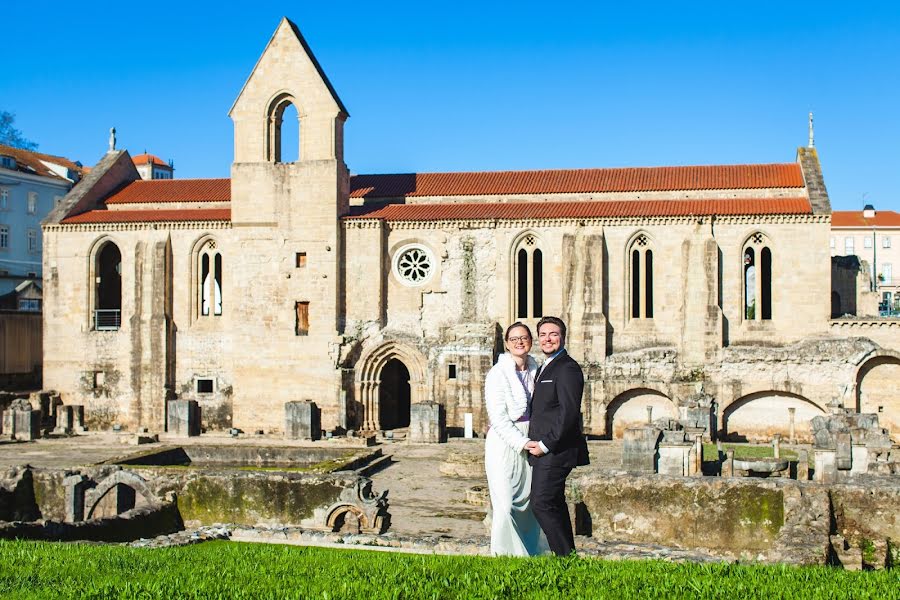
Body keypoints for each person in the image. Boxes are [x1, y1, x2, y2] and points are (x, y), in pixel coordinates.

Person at [525, 316, 590, 556]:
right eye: (543, 334)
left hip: (556, 449)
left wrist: (545, 444)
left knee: (541, 502)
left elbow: (569, 412)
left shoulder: (567, 367)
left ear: (563, 337)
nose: (548, 338)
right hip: (546, 448)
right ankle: (568, 555)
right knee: (554, 502)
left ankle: (563, 556)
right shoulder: (545, 366)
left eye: (553, 334)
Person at [483, 322, 549, 556]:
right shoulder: (497, 374)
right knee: (506, 503)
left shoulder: (536, 369)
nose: (519, 342)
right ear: (507, 344)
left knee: (528, 503)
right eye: (514, 339)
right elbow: (498, 418)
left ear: (531, 341)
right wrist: (521, 442)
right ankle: (504, 554)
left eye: (524, 338)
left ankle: (530, 552)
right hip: (504, 442)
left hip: (532, 436)